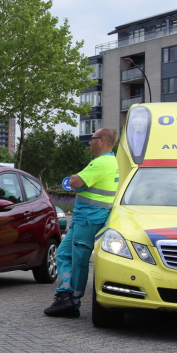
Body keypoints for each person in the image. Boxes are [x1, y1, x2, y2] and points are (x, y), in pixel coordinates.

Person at [44, 128, 119, 318]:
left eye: (92, 139)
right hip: (83, 218)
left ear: (101, 141)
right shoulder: (109, 162)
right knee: (63, 254)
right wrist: (79, 182)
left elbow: (74, 182)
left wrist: (77, 181)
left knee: (79, 260)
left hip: (88, 219)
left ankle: (73, 302)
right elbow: (79, 183)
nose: (89, 143)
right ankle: (65, 295)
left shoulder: (101, 163)